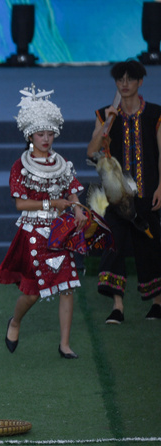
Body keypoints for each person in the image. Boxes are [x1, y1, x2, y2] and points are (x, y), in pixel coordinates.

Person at [0, 85, 87, 359]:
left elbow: (73, 191)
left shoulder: (62, 162)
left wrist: (78, 210)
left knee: (67, 287)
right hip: (34, 232)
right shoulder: (20, 166)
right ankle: (16, 321)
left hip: (61, 231)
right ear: (29, 134)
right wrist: (52, 204)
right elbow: (20, 204)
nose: (46, 138)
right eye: (40, 133)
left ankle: (65, 345)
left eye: (50, 133)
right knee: (33, 293)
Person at [86, 60, 161, 323]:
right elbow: (91, 151)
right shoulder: (105, 115)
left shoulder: (155, 114)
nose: (125, 84)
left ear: (140, 82)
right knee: (114, 244)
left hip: (148, 188)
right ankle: (118, 307)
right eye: (120, 80)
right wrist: (107, 122)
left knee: (150, 245)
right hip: (116, 191)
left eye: (130, 79)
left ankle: (157, 303)